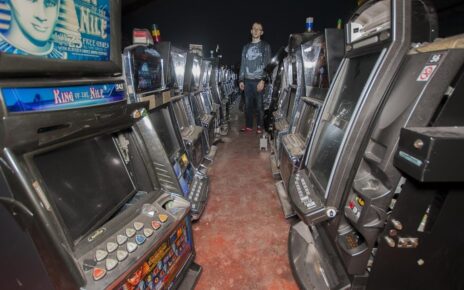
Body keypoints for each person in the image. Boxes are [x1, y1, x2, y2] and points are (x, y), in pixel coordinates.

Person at [239, 22, 271, 134]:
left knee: (259, 105)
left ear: (262, 32)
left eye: (259, 29)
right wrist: (241, 80)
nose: (256, 30)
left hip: (259, 81)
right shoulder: (245, 47)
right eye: (254, 28)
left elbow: (268, 66)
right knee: (248, 105)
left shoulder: (265, 46)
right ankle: (248, 126)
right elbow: (243, 63)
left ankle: (259, 126)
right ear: (251, 31)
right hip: (247, 80)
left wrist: (263, 80)